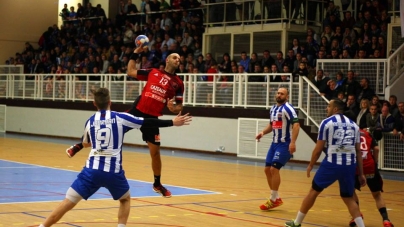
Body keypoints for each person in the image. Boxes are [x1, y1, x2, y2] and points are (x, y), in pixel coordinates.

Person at [38, 88, 192, 227]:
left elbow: (87, 143)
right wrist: (173, 122)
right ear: (110, 102)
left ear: (94, 104)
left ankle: (42, 226)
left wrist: (77, 147)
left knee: (67, 202)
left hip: (91, 171)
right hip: (113, 172)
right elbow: (148, 122)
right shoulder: (121, 118)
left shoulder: (90, 121)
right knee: (124, 199)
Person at [66, 41, 185, 198]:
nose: (178, 60)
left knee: (155, 153)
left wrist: (172, 108)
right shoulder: (153, 72)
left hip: (152, 118)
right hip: (137, 111)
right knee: (109, 128)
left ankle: (157, 184)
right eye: (175, 57)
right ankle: (79, 145)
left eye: (179, 59)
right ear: (167, 60)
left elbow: (179, 107)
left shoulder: (178, 83)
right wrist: (135, 52)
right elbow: (130, 71)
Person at [285, 99, 366, 227]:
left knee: (313, 191)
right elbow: (358, 151)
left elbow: (318, 149)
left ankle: (297, 222)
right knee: (348, 197)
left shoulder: (326, 123)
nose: (326, 108)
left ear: (335, 109)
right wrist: (361, 174)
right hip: (350, 165)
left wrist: (311, 164)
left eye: (328, 106)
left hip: (332, 164)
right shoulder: (354, 125)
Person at [255, 87, 300, 210]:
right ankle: (276, 198)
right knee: (267, 170)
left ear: (287, 96)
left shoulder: (288, 108)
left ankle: (273, 199)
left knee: (274, 169)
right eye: (278, 93)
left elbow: (296, 125)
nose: (279, 95)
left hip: (284, 144)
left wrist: (293, 142)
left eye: (282, 94)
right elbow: (272, 125)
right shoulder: (273, 108)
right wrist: (262, 133)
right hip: (274, 144)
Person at [345, 119, 394, 227]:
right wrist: (375, 163)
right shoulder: (367, 134)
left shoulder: (348, 135)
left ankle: (356, 216)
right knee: (377, 195)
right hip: (369, 166)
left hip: (356, 167)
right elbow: (376, 149)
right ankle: (386, 220)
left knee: (351, 192)